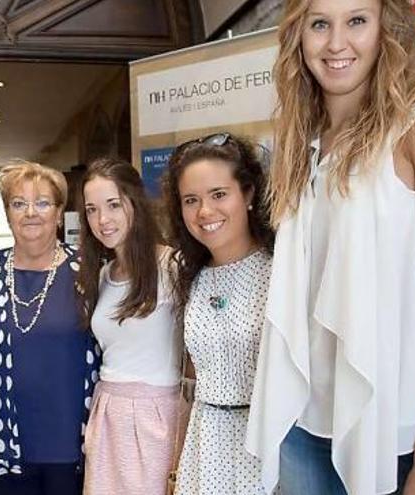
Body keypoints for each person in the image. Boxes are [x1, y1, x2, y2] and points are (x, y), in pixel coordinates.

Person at [245, 1, 415, 494]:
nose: (336, 43)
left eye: (356, 20)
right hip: (307, 427)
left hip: (406, 433)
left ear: (385, 28)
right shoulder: (303, 141)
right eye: (320, 24)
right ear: (299, 37)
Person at [0, 161, 100, 495]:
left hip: (71, 438)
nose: (31, 212)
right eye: (18, 203)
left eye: (43, 202)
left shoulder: (88, 271)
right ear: (8, 213)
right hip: (0, 437)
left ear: (59, 213)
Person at [161, 132, 275, 495]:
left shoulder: (281, 273)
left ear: (249, 195)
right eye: (191, 200)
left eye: (218, 195)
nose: (204, 212)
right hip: (205, 443)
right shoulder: (192, 277)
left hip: (265, 446)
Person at [77, 157, 182, 495]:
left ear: (135, 202)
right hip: (107, 412)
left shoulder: (172, 266)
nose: (102, 220)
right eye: (92, 210)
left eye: (113, 205)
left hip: (156, 416)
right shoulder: (103, 275)